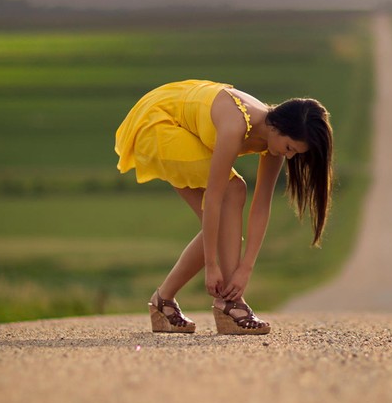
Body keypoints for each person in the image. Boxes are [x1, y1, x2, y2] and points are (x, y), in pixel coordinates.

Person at [115, 79, 334, 335]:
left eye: (296, 153)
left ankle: (164, 301)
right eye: (289, 148)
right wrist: (211, 265)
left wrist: (246, 269)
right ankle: (230, 305)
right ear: (277, 127)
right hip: (157, 122)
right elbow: (215, 197)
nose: (289, 157)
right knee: (233, 190)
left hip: (184, 124)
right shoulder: (236, 125)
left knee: (223, 224)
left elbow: (261, 206)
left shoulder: (272, 144)